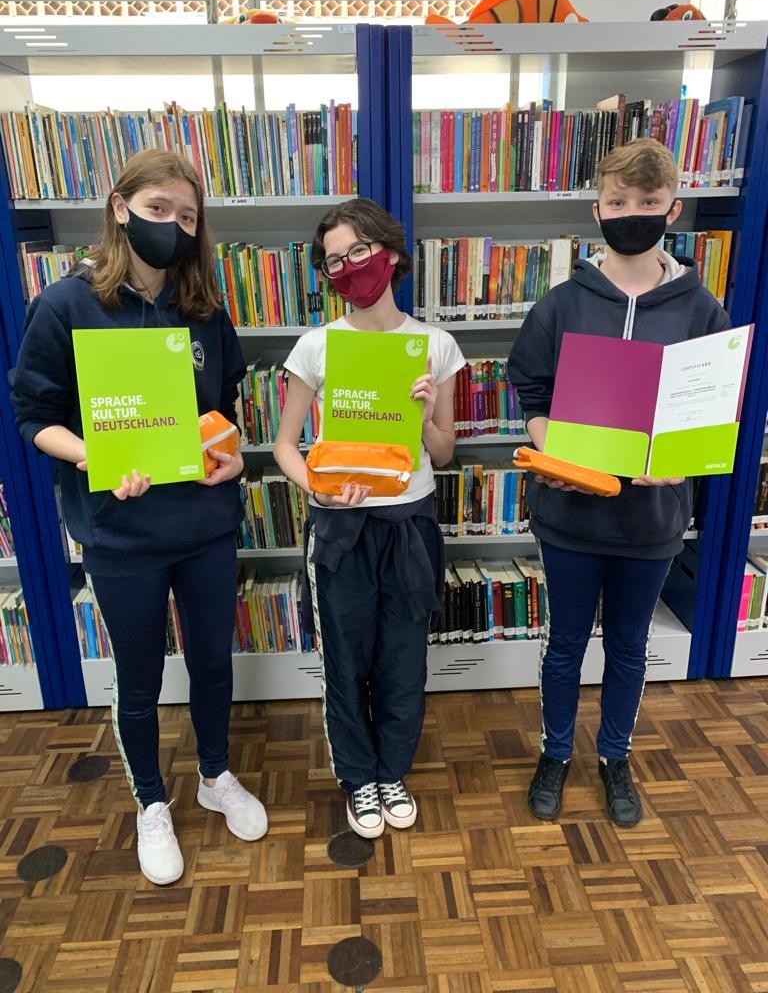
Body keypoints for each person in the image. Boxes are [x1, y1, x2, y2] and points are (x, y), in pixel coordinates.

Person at [12, 150, 267, 884]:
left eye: (188, 217)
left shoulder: (204, 308)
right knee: (139, 677)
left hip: (204, 525)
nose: (174, 226)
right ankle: (151, 800)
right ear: (120, 209)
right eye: (159, 209)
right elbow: (34, 415)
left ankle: (214, 775)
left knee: (213, 661)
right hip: (120, 532)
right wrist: (94, 455)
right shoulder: (66, 305)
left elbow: (222, 412)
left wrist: (232, 457)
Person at [507, 137, 730, 828]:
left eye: (648, 201)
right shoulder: (562, 303)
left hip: (652, 520)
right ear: (597, 209)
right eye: (618, 201)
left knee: (630, 646)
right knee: (565, 642)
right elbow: (532, 392)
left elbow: (709, 410)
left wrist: (684, 461)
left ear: (673, 209)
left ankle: (614, 756)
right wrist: (556, 450)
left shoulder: (701, 309)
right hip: (570, 515)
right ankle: (554, 753)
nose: (632, 213)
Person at [274, 198, 465, 838]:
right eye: (334, 260)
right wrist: (320, 490)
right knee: (346, 658)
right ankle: (358, 777)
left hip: (409, 524)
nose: (349, 266)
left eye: (359, 250)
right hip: (342, 529)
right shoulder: (317, 345)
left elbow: (443, 451)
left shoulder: (435, 345)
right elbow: (284, 445)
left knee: (403, 658)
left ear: (390, 252)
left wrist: (429, 413)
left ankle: (391, 772)